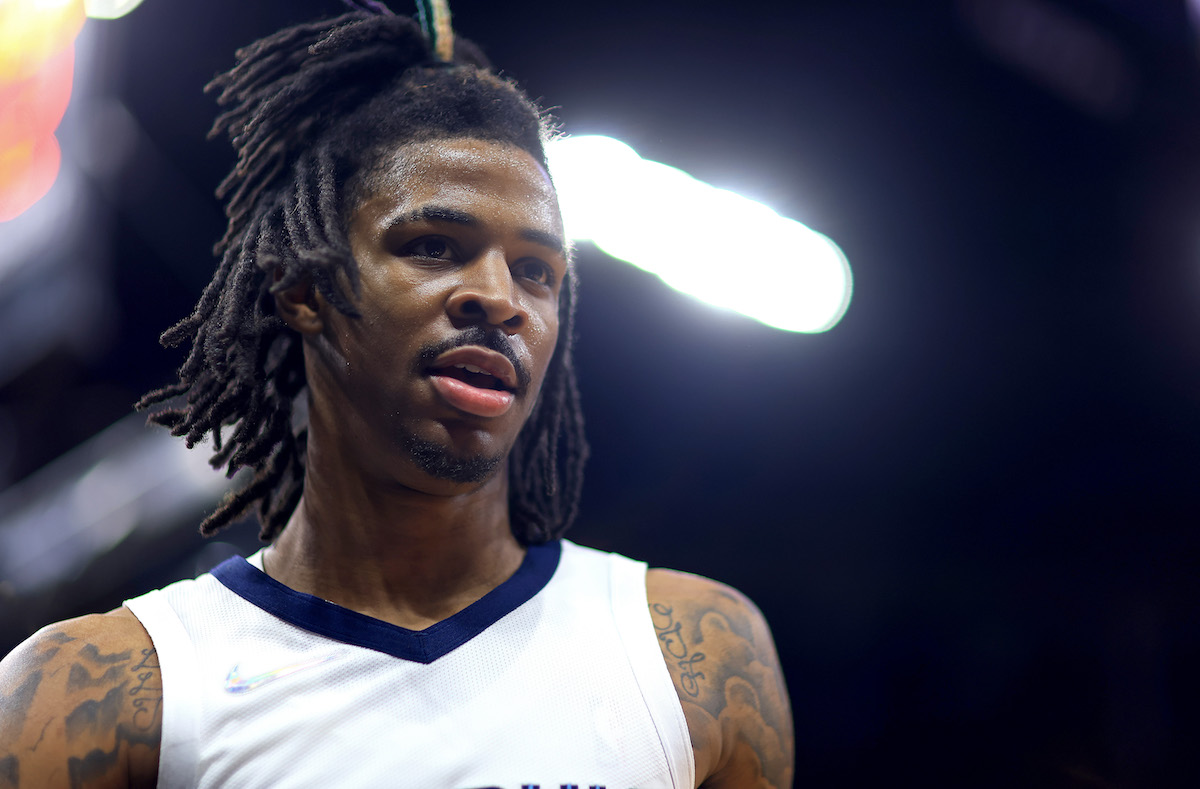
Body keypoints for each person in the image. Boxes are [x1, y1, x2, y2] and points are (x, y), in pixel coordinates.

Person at [0, 5, 794, 787]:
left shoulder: (696, 655)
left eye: (536, 270)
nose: (500, 297)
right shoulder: (96, 694)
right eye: (434, 246)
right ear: (304, 286)